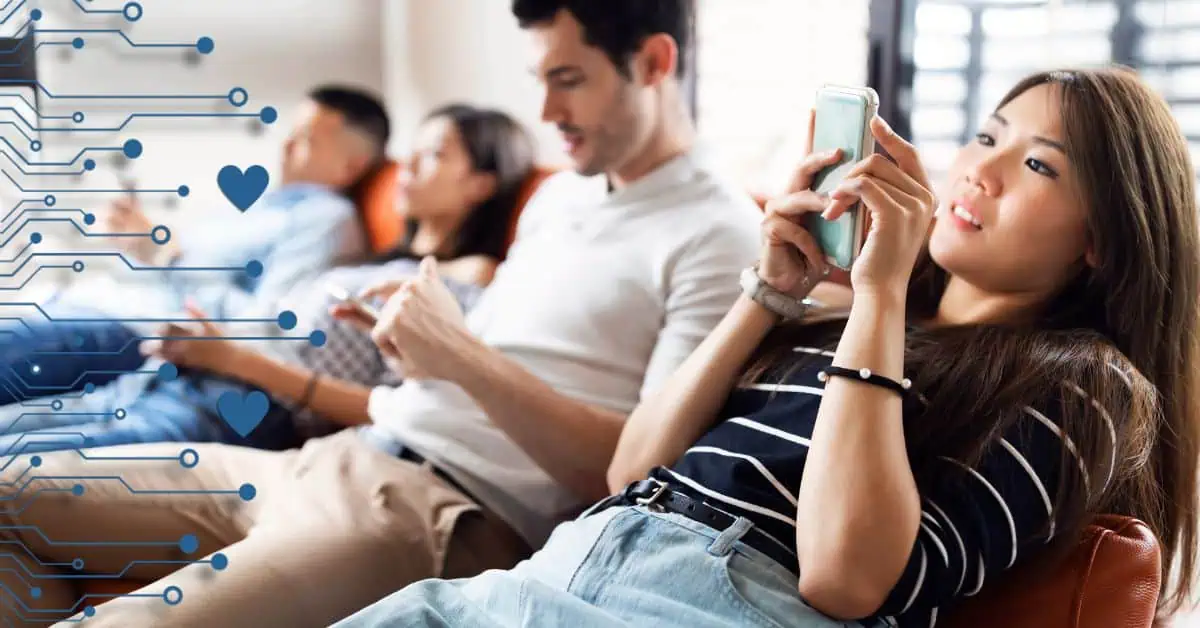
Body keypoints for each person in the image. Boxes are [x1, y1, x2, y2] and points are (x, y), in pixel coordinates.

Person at [336, 66, 1200, 627]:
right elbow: (633, 465)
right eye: (988, 136)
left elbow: (846, 580)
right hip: (560, 568)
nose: (981, 170)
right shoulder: (841, 323)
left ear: (1103, 239)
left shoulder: (1087, 384)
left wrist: (879, 290)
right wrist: (770, 292)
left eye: (1040, 166)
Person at [0, 2, 766, 626]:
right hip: (331, 456)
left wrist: (461, 355)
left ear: (656, 63)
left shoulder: (717, 233)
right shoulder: (563, 195)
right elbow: (484, 382)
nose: (545, 110)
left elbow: (632, 472)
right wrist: (420, 355)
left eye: (568, 80)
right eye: (538, 78)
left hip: (434, 517)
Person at [0, 104, 535, 453]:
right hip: (189, 372)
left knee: (29, 459)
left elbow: (397, 408)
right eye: (411, 150)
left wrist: (230, 356)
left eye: (435, 154)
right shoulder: (366, 262)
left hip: (251, 405)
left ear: (482, 184)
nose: (409, 165)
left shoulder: (468, 279)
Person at [0, 85, 389, 406]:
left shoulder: (326, 219)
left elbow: (265, 327)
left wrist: (167, 256)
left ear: (349, 167)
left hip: (136, 331)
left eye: (306, 139)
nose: (286, 144)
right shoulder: (259, 206)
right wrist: (144, 246)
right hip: (100, 302)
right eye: (291, 131)